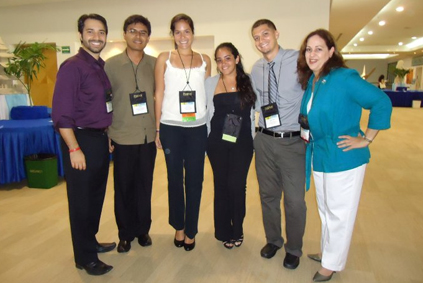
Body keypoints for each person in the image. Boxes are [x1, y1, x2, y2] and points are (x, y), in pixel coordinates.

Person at [297, 29, 392, 282]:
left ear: (331, 52)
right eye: (308, 49)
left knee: (340, 212)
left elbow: (381, 102)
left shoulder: (344, 77)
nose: (312, 54)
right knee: (326, 209)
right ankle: (329, 251)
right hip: (321, 154)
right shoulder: (314, 80)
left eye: (318, 49)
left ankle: (332, 264)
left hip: (343, 155)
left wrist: (367, 138)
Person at [52, 14, 115, 276]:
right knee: (81, 202)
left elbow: (102, 106)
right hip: (80, 141)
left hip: (99, 139)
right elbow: (61, 115)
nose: (96, 37)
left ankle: (90, 242)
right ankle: (84, 258)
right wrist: (74, 148)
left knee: (95, 198)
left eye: (101, 32)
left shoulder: (99, 66)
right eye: (91, 32)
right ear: (80, 35)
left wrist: (107, 134)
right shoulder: (72, 67)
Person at [250, 19, 306, 270]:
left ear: (276, 34)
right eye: (256, 37)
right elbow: (254, 103)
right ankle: (273, 240)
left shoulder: (297, 60)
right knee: (268, 196)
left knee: (294, 200)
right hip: (263, 140)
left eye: (265, 34)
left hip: (292, 141)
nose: (261, 40)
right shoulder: (256, 69)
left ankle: (293, 248)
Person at [154, 13, 211, 251]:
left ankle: (191, 230)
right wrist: (157, 129)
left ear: (193, 33)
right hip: (171, 127)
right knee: (175, 179)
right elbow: (159, 93)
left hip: (197, 128)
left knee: (195, 180)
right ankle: (178, 226)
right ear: (172, 35)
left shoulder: (205, 59)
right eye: (177, 31)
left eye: (186, 31)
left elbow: (208, 97)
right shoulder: (163, 59)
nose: (182, 36)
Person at [105, 15, 156, 253]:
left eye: (143, 32)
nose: (138, 36)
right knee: (124, 187)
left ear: (148, 36)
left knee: (145, 186)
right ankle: (125, 233)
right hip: (122, 136)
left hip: (147, 137)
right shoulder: (110, 65)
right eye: (133, 31)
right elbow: (104, 102)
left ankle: (142, 229)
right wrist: (106, 132)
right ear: (124, 34)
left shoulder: (156, 65)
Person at [205, 43, 256, 249]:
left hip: (242, 141)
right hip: (217, 142)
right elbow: (204, 110)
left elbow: (260, 106)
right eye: (218, 59)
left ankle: (238, 230)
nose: (223, 63)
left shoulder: (249, 81)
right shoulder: (210, 83)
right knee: (221, 185)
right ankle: (224, 230)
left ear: (236, 58)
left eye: (227, 58)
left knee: (237, 185)